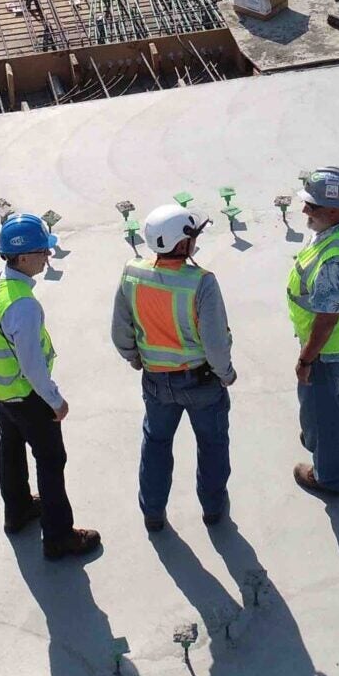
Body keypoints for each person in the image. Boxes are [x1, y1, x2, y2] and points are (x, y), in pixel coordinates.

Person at [0, 213, 101, 560]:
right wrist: (55, 400)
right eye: (44, 252)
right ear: (24, 256)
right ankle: (59, 536)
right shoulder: (24, 305)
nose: (49, 256)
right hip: (24, 394)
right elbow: (31, 364)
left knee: (11, 444)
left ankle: (17, 511)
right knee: (50, 458)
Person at [112, 204, 236, 531]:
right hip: (201, 382)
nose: (196, 242)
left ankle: (153, 513)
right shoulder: (202, 283)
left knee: (156, 444)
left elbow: (120, 331)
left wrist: (136, 358)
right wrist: (226, 374)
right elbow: (215, 343)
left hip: (155, 381)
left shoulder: (132, 273)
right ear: (181, 244)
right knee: (212, 444)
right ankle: (212, 508)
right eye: (193, 236)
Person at [286, 167, 339, 498]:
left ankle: (328, 476)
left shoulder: (334, 260)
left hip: (329, 347)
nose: (306, 210)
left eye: (313, 206)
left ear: (336, 209)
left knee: (320, 414)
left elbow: (326, 317)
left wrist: (306, 359)